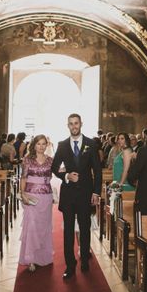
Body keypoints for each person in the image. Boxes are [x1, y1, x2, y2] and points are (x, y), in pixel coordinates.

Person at [51, 113, 102, 279]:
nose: (74, 126)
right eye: (71, 124)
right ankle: (70, 266)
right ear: (68, 126)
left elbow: (97, 170)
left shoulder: (90, 144)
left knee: (85, 228)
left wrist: (96, 192)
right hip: (68, 195)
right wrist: (66, 176)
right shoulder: (62, 145)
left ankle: (85, 261)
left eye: (76, 123)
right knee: (68, 231)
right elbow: (54, 167)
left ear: (81, 124)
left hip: (86, 193)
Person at [19, 135, 54, 271]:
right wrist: (22, 194)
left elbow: (52, 176)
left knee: (44, 227)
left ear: (47, 145)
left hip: (46, 196)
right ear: (34, 145)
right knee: (32, 226)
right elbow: (23, 177)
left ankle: (43, 256)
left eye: (43, 144)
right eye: (38, 144)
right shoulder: (27, 160)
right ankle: (31, 259)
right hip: (31, 196)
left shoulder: (51, 160)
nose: (41, 146)